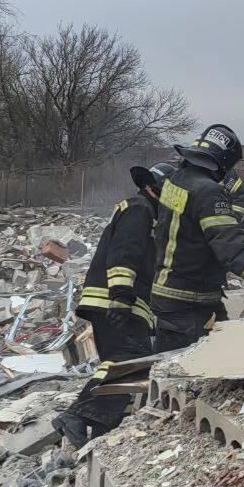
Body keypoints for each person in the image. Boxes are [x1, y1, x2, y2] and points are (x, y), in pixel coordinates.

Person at [53, 161, 174, 447]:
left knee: (123, 361)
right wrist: (120, 296)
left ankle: (98, 426)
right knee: (130, 359)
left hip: (118, 301)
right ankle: (78, 415)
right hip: (116, 300)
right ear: (157, 189)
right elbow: (125, 252)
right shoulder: (139, 209)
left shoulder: (147, 212)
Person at [150, 124, 244, 352]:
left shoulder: (176, 181)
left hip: (171, 295)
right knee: (192, 375)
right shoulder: (208, 192)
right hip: (190, 302)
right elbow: (231, 246)